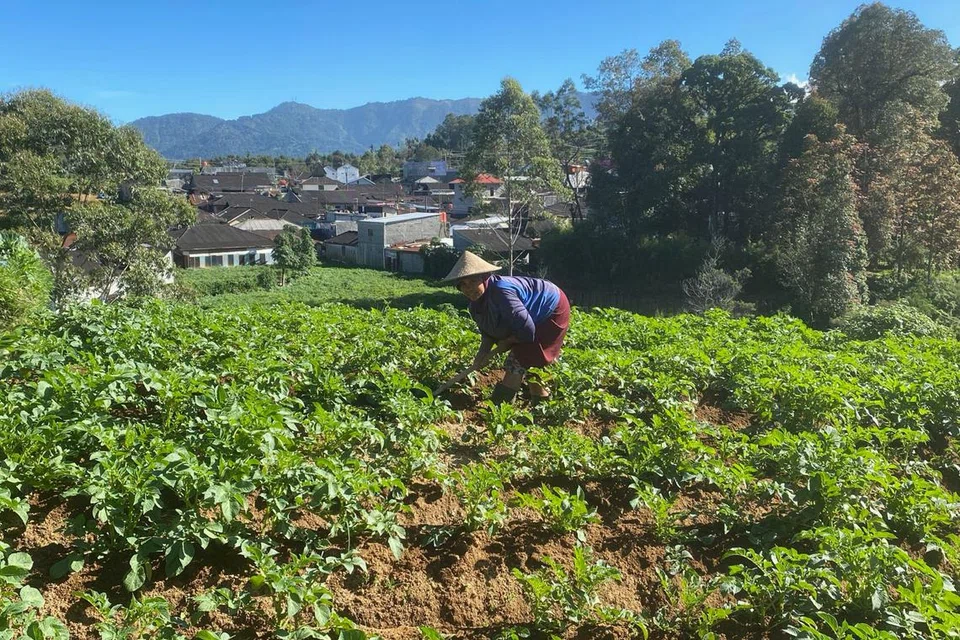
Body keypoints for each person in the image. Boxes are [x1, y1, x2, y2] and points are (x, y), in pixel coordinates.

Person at [443, 251, 570, 404]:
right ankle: (541, 403)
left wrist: (508, 343)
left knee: (522, 357)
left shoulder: (502, 292)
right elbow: (487, 334)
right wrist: (481, 355)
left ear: (484, 278)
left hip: (551, 310)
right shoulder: (476, 306)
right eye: (462, 285)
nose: (468, 288)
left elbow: (527, 330)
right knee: (529, 359)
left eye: (472, 281)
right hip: (528, 319)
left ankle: (500, 408)